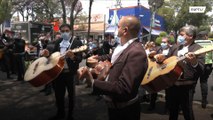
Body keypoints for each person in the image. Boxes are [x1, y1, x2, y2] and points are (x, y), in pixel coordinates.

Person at [78, 16, 148, 120]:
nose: (116, 29)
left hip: (125, 113)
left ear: (125, 31)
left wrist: (92, 81)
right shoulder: (124, 47)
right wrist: (97, 58)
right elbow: (113, 57)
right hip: (114, 108)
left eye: (118, 26)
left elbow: (123, 89)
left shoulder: (137, 52)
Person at [155, 25, 205, 120]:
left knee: (187, 111)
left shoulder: (198, 49)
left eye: (182, 35)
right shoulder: (176, 47)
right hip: (172, 85)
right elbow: (167, 61)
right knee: (172, 111)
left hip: (187, 87)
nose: (179, 37)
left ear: (190, 36)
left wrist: (194, 62)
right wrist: (160, 60)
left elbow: (201, 70)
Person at [42, 24, 83, 120]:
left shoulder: (77, 42)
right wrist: (48, 55)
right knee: (59, 95)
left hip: (70, 73)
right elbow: (54, 57)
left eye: (67, 30)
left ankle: (70, 116)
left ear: (71, 31)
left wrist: (73, 56)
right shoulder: (58, 42)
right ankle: (60, 114)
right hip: (58, 73)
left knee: (71, 95)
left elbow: (79, 58)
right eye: (63, 31)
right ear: (60, 32)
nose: (65, 33)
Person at [196, 31, 213, 108]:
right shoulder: (210, 43)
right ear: (205, 36)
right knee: (204, 82)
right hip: (207, 65)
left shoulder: (195, 43)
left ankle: (188, 99)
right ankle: (204, 101)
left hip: (197, 64)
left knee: (193, 81)